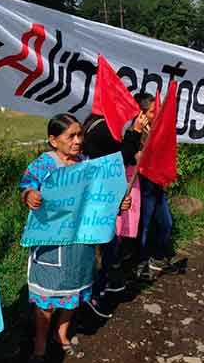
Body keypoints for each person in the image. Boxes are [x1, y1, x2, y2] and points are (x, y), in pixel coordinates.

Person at [20, 114, 130, 362]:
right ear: (53, 140)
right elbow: (26, 185)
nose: (78, 141)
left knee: (73, 294)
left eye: (80, 134)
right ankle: (39, 343)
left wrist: (118, 202)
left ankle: (61, 334)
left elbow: (101, 198)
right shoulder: (43, 164)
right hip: (51, 245)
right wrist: (29, 195)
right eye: (71, 136)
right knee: (47, 299)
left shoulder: (87, 164)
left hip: (80, 245)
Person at [82, 106, 148, 318]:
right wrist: (135, 132)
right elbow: (122, 155)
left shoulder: (101, 125)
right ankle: (91, 295)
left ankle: (106, 283)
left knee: (109, 244)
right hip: (96, 201)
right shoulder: (102, 128)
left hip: (105, 199)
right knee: (97, 250)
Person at [132, 93, 178, 280]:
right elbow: (135, 158)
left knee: (166, 224)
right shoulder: (135, 132)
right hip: (143, 186)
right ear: (141, 113)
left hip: (158, 186)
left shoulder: (156, 130)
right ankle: (140, 263)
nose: (155, 114)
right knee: (144, 225)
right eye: (152, 111)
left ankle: (157, 258)